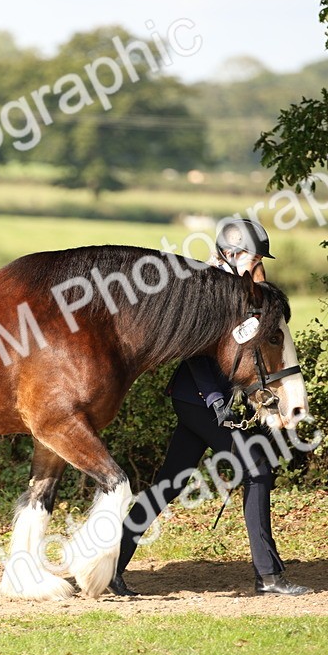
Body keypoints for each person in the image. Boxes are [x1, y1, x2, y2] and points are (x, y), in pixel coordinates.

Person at [110, 219, 312, 597]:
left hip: (206, 404)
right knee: (258, 470)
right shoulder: (207, 289)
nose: (260, 266)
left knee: (168, 484)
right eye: (255, 259)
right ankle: (268, 576)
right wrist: (218, 402)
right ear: (233, 255)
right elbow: (196, 355)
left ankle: (111, 566)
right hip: (200, 401)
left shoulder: (245, 292)